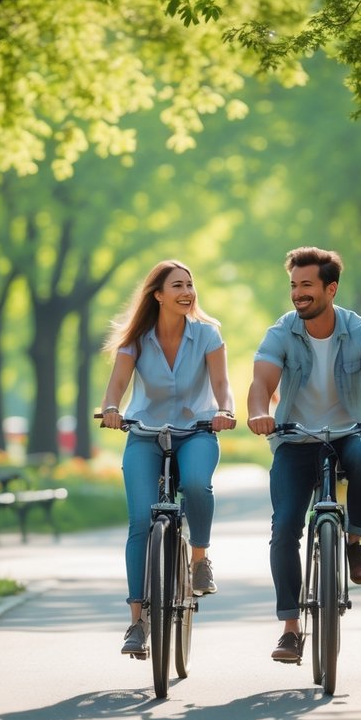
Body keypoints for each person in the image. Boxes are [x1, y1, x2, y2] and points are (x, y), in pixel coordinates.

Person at [247, 246, 361, 664]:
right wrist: (259, 413)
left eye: (307, 286)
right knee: (284, 531)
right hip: (295, 438)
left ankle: (353, 541)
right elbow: (261, 383)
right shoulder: (281, 331)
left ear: (330, 289)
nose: (298, 293)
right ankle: (291, 630)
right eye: (294, 285)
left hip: (350, 429)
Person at [98, 259, 237, 659]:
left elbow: (221, 384)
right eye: (177, 285)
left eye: (190, 284)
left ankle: (199, 559)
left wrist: (224, 411)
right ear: (158, 295)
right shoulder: (137, 340)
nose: (186, 292)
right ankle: (137, 622)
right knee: (141, 521)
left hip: (197, 431)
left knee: (195, 484)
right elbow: (118, 386)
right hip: (145, 433)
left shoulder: (208, 336)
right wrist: (110, 408)